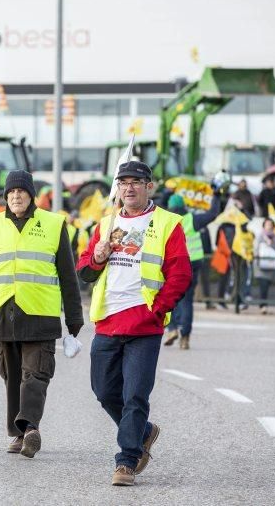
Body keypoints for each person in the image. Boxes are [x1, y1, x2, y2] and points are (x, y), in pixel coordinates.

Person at [77, 161, 191, 486]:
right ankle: (145, 432)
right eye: (124, 182)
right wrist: (97, 256)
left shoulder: (167, 223)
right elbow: (84, 270)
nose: (129, 188)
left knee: (135, 396)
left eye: (136, 182)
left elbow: (180, 273)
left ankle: (127, 461)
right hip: (108, 323)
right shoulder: (106, 222)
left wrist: (158, 311)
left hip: (145, 324)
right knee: (103, 391)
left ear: (148, 187)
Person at [0, 170, 83, 459]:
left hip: (40, 312)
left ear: (31, 196)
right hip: (4, 311)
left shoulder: (53, 225)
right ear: (5, 197)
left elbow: (67, 274)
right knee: (11, 375)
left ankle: (29, 427)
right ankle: (17, 434)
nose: (16, 196)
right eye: (11, 192)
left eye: (22, 192)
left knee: (37, 373)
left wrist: (74, 315)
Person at [164, 193, 220, 349]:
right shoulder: (192, 219)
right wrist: (216, 195)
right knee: (187, 300)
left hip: (174, 264)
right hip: (193, 263)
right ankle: (185, 337)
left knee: (170, 298)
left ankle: (172, 328)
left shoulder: (166, 221)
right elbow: (213, 214)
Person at [253, 218, 275, 314]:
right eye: (267, 224)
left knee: (268, 285)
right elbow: (256, 249)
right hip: (261, 265)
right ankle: (263, 305)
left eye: (270, 225)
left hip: (271, 264)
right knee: (263, 285)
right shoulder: (260, 236)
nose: (269, 226)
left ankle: (264, 304)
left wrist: (272, 244)